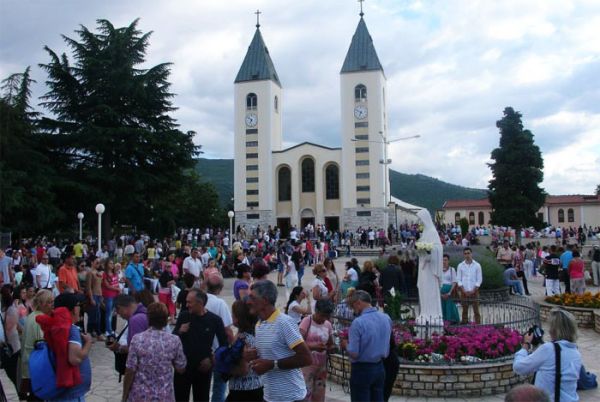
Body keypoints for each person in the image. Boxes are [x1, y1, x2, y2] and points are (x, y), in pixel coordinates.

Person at [245, 280, 312, 402]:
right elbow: (272, 354)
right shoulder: (259, 324)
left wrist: (271, 364)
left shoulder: (284, 323)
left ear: (264, 300)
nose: (248, 302)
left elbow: (306, 358)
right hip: (269, 397)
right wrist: (253, 354)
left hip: (292, 398)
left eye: (252, 298)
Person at [513, 308, 582, 402]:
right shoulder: (575, 352)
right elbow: (551, 365)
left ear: (554, 330)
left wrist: (526, 345)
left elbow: (519, 367)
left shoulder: (549, 349)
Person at [122, 302, 187, 402]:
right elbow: (181, 368)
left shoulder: (137, 339)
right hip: (164, 396)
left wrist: (124, 395)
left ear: (148, 319)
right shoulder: (174, 341)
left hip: (140, 395)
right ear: (166, 320)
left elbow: (130, 370)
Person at [173, 288, 227, 402]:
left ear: (200, 303)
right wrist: (179, 331)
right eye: (186, 302)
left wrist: (212, 359)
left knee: (202, 398)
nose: (187, 305)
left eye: (189, 302)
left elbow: (224, 344)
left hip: (203, 368)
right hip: (183, 369)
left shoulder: (214, 320)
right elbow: (172, 341)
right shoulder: (183, 316)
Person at [36, 292, 92, 401]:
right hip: (72, 393)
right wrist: (88, 342)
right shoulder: (71, 330)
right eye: (79, 305)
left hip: (61, 391)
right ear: (74, 309)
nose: (80, 308)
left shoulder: (55, 326)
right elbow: (75, 359)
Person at [340, 290, 392, 402]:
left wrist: (345, 345)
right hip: (380, 367)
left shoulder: (358, 322)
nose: (354, 311)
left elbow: (354, 353)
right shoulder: (386, 318)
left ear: (358, 303)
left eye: (353, 307)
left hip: (362, 369)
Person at [205, 275, 235, 402]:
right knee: (219, 387)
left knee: (202, 387)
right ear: (221, 288)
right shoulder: (220, 303)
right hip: (218, 351)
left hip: (201, 351)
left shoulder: (200, 299)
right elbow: (227, 330)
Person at [20, 289, 54, 399]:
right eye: (49, 302)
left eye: (52, 302)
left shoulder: (32, 316)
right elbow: (43, 344)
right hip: (36, 370)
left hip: (29, 367)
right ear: (41, 304)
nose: (52, 305)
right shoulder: (39, 319)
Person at [226, 300, 263, 402]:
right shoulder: (255, 334)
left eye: (233, 313)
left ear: (238, 318)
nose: (231, 316)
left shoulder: (243, 339)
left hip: (243, 390)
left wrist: (224, 368)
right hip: (257, 385)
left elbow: (243, 369)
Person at [299, 300, 334, 402]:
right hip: (306, 365)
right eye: (322, 315)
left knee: (319, 394)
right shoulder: (306, 321)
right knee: (305, 394)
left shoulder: (328, 324)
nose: (324, 319)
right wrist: (314, 347)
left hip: (321, 367)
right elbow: (297, 344)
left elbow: (330, 343)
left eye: (327, 316)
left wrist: (331, 347)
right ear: (316, 311)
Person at [415, 209, 444, 322]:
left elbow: (438, 248)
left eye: (421, 220)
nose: (420, 222)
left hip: (430, 269)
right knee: (423, 291)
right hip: (423, 268)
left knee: (430, 291)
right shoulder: (425, 232)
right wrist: (420, 249)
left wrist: (429, 251)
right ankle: (425, 312)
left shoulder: (432, 231)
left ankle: (433, 314)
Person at [457, 247, 482, 324]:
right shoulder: (460, 265)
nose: (467, 255)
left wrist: (473, 290)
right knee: (464, 309)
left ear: (471, 254)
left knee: (476, 310)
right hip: (464, 291)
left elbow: (479, 279)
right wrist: (463, 290)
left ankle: (478, 324)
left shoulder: (477, 265)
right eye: (465, 253)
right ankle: (464, 324)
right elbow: (458, 279)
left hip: (474, 291)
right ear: (463, 255)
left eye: (468, 253)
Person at [86, 258, 105, 340]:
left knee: (97, 315)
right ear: (92, 262)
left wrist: (101, 296)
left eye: (99, 263)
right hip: (93, 295)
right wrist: (91, 298)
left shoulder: (97, 272)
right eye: (96, 262)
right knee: (94, 315)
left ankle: (95, 333)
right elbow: (88, 287)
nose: (98, 264)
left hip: (98, 295)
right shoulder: (90, 272)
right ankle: (96, 333)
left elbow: (100, 285)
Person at [101, 259, 120, 337]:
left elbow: (116, 282)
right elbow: (107, 286)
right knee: (108, 314)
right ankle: (108, 330)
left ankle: (111, 329)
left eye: (113, 263)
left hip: (115, 295)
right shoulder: (104, 274)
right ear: (106, 265)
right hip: (108, 295)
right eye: (110, 263)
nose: (112, 265)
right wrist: (117, 289)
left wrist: (118, 290)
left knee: (113, 313)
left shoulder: (114, 273)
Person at [440, 254, 460, 323]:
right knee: (442, 308)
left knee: (450, 308)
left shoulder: (452, 270)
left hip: (449, 293)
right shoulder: (438, 270)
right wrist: (440, 294)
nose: (444, 262)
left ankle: (451, 322)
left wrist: (449, 293)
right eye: (442, 260)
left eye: (445, 260)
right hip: (441, 293)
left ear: (448, 261)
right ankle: (443, 322)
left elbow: (454, 282)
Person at [158, 259, 176, 324]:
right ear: (165, 267)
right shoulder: (163, 274)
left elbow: (173, 282)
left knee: (172, 304)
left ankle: (172, 319)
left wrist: (171, 283)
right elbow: (163, 284)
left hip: (169, 292)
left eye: (170, 266)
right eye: (168, 266)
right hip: (163, 292)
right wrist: (170, 283)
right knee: (163, 306)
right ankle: (163, 319)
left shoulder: (170, 273)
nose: (169, 268)